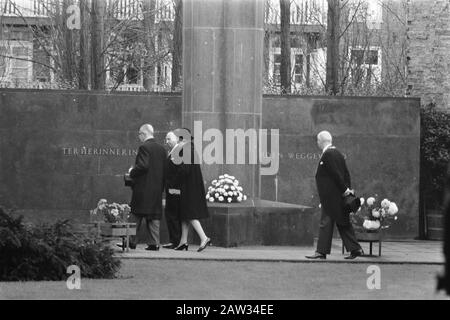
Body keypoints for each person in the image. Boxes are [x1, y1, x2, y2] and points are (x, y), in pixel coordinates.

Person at [306, 131, 364, 260]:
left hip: (331, 197)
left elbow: (336, 174)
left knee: (326, 222)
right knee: (343, 222)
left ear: (321, 141)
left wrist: (345, 190)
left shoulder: (328, 154)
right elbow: (346, 173)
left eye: (317, 140)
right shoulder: (337, 153)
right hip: (337, 196)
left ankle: (321, 252)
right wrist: (347, 190)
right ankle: (355, 249)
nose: (317, 143)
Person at [122, 124, 166, 251]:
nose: (139, 137)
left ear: (144, 133)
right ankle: (154, 243)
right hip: (157, 189)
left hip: (143, 188)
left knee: (136, 214)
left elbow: (143, 166)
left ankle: (131, 242)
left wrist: (132, 172)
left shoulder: (144, 147)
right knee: (154, 216)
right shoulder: (162, 149)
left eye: (139, 134)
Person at [173, 128, 211, 252]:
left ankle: (204, 237)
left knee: (189, 213)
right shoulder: (190, 149)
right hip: (191, 186)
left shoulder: (187, 150)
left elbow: (185, 170)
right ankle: (183, 241)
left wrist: (175, 168)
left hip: (188, 187)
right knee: (185, 214)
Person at [161, 131, 182, 249]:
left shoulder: (178, 151)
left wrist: (172, 187)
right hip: (171, 188)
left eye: (169, 139)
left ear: (176, 139)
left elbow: (178, 171)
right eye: (166, 139)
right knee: (170, 214)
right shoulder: (173, 151)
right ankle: (174, 240)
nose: (167, 141)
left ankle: (176, 240)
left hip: (174, 189)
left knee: (172, 214)